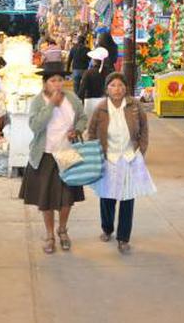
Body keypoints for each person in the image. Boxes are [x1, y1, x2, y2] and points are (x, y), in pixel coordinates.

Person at [18, 62, 87, 254]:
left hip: (67, 153)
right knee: (45, 199)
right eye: (53, 80)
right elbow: (35, 126)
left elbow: (83, 117)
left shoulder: (72, 98)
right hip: (45, 155)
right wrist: (51, 105)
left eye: (60, 80)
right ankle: (49, 235)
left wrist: (77, 130)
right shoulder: (38, 101)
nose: (57, 84)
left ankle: (62, 229)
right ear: (45, 83)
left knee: (67, 198)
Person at [86, 73, 155, 254]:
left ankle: (123, 238)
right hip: (108, 158)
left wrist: (141, 149)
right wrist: (95, 153)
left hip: (129, 157)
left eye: (120, 85)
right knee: (107, 197)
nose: (117, 89)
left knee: (127, 198)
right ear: (107, 89)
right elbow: (91, 132)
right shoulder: (101, 109)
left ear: (125, 88)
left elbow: (144, 129)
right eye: (113, 85)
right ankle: (107, 228)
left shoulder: (135, 106)